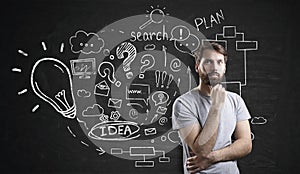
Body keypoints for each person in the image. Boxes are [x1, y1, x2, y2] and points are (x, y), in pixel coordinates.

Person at [172, 42, 252, 174]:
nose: (215, 67)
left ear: (225, 67)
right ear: (197, 67)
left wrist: (213, 158)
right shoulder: (183, 104)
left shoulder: (236, 100)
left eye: (220, 62)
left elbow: (246, 144)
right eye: (208, 62)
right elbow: (202, 150)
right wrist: (216, 107)